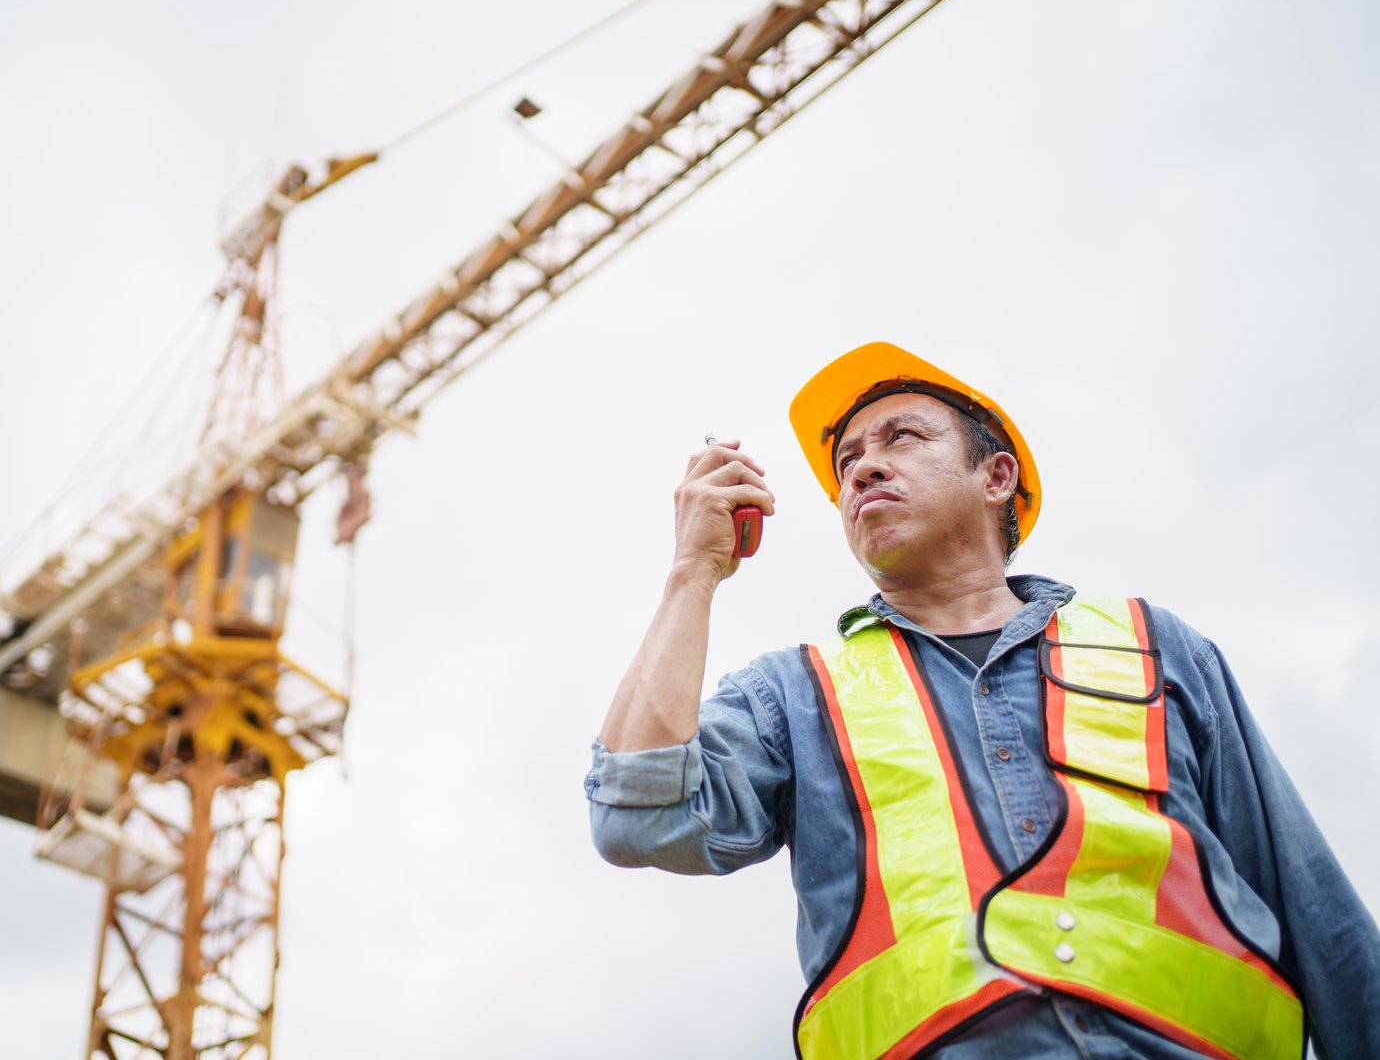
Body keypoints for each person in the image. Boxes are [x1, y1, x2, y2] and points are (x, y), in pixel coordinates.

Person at [585, 342, 1379, 1058]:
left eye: (901, 437)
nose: (862, 467)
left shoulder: (1155, 645)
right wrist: (693, 571)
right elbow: (638, 815)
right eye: (848, 461)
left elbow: (1317, 912)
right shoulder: (794, 695)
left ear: (995, 476)